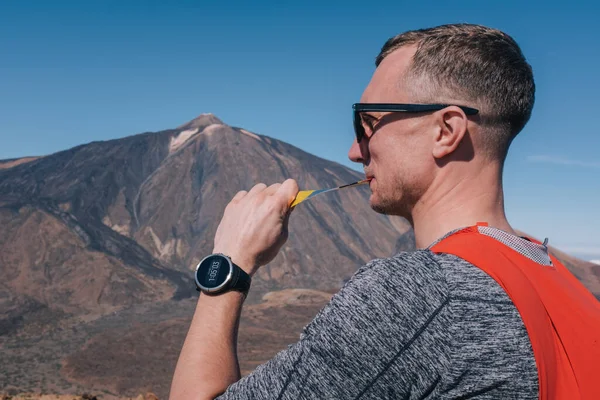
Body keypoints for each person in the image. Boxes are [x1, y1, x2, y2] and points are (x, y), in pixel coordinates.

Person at [170, 24, 600, 400]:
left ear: (445, 130)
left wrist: (228, 265)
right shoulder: (561, 281)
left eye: (367, 122)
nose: (354, 150)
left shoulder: (420, 294)